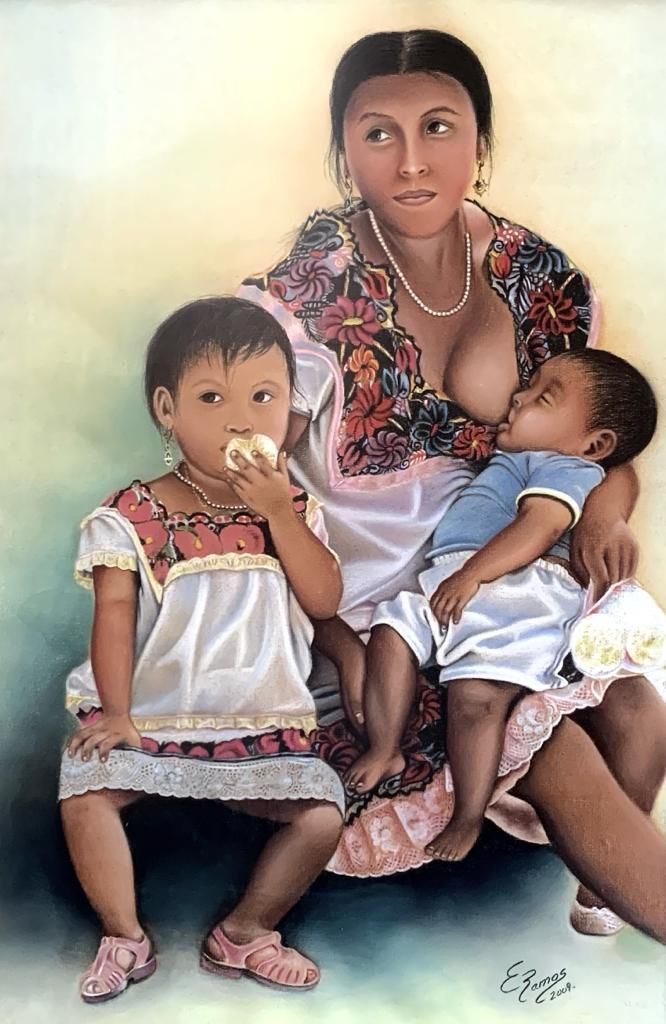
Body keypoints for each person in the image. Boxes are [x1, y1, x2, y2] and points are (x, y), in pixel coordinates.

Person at [237, 29, 666, 943]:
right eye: (376, 134)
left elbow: (604, 441)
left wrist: (607, 505)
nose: (412, 161)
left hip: (513, 577)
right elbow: (250, 500)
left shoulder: (538, 277)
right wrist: (334, 636)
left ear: (482, 138)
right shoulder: (301, 297)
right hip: (366, 616)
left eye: (439, 127)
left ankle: (596, 889)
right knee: (547, 743)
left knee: (634, 704)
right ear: (342, 149)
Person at [59, 296, 344, 1002]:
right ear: (167, 408)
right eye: (211, 398)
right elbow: (116, 618)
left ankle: (245, 932)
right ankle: (123, 934)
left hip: (257, 715)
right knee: (85, 794)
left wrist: (278, 511)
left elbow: (324, 599)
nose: (241, 419)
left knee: (322, 815)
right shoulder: (131, 514)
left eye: (264, 396)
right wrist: (120, 714)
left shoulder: (295, 510)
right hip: (156, 709)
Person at [343, 349, 658, 865]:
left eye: (543, 398)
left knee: (477, 697)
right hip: (458, 583)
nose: (519, 397)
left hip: (517, 592)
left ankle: (468, 814)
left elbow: (541, 528)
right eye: (529, 386)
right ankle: (385, 745)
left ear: (594, 444)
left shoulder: (564, 467)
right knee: (391, 628)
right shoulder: (518, 459)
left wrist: (472, 574)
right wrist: (462, 577)